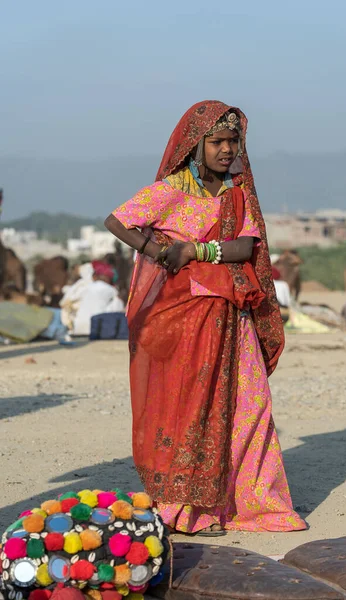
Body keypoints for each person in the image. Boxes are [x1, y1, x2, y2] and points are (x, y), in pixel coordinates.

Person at [105, 101, 306, 535]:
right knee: (188, 409)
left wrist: (194, 250)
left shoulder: (238, 193)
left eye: (233, 141)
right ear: (196, 146)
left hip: (233, 314)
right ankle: (187, 510)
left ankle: (251, 502)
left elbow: (244, 248)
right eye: (216, 141)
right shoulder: (171, 190)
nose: (227, 149)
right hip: (183, 317)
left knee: (250, 404)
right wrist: (158, 252)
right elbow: (118, 221)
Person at [72, 261, 124, 336]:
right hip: (97, 329)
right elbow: (118, 308)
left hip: (78, 329)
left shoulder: (85, 287)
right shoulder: (111, 290)